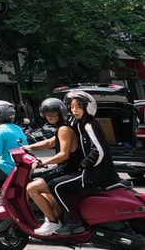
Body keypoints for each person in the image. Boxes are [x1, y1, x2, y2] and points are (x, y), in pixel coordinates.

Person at [50, 89, 124, 236]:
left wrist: (84, 164)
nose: (74, 110)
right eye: (72, 106)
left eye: (78, 106)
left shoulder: (90, 125)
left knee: (55, 185)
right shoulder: (78, 123)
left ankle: (74, 223)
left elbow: (99, 151)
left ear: (87, 107)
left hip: (97, 174)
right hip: (93, 172)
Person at [26, 97, 80, 237]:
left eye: (53, 113)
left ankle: (53, 222)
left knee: (32, 188)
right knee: (39, 184)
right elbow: (50, 142)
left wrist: (43, 162)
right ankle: (56, 216)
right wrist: (29, 147)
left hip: (68, 170)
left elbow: (63, 155)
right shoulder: (62, 128)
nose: (49, 116)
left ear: (61, 113)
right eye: (46, 113)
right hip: (65, 169)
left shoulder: (64, 129)